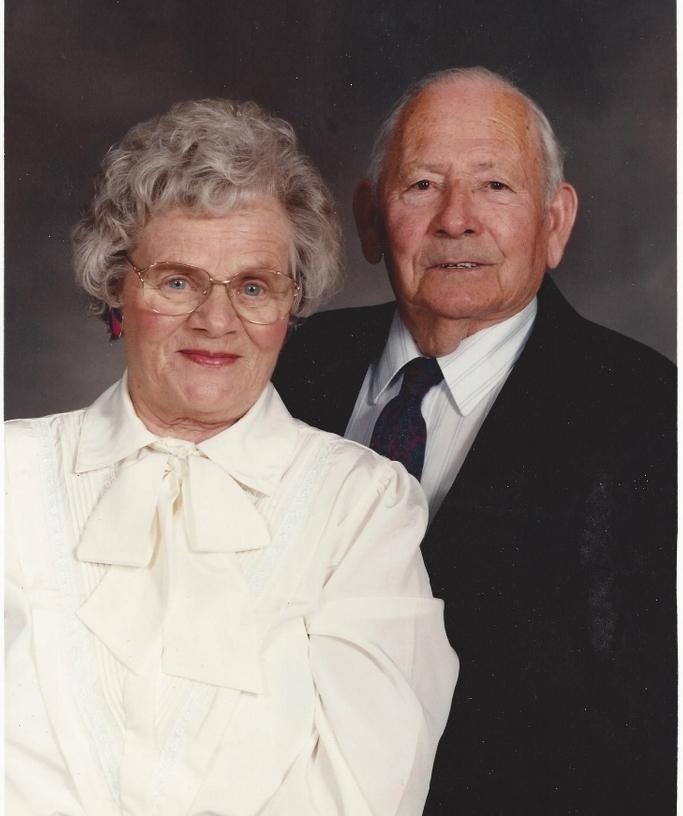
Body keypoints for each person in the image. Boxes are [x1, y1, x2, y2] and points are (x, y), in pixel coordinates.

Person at [4, 98, 459, 816]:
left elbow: (365, 792)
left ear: (291, 304)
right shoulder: (12, 476)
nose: (216, 321)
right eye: (178, 280)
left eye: (253, 287)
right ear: (119, 286)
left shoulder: (362, 505)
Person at [273, 67, 677, 814]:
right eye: (421, 184)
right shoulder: (286, 366)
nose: (455, 219)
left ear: (554, 223)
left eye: (496, 187)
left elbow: (650, 740)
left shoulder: (648, 414)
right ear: (368, 219)